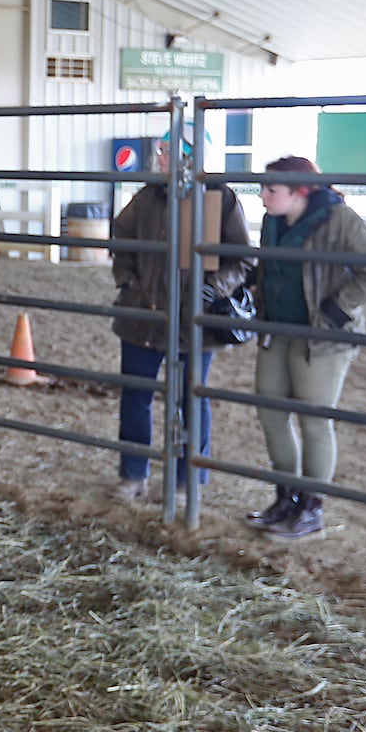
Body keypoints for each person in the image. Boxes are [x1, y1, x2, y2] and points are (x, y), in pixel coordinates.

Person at [244, 156, 366, 539]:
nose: (262, 196)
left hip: (321, 337)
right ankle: (286, 497)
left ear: (300, 191)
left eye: (271, 189)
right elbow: (269, 268)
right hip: (277, 328)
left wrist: (335, 309)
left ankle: (312, 508)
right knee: (271, 412)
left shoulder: (339, 220)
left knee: (313, 419)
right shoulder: (273, 221)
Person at [111, 134, 255, 502]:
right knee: (136, 395)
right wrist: (127, 280)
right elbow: (121, 236)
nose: (159, 158)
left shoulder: (218, 198)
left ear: (191, 156)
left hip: (194, 320)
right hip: (144, 315)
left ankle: (186, 480)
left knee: (191, 399)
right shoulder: (147, 196)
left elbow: (242, 258)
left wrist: (213, 289)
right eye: (160, 151)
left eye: (168, 152)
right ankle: (133, 474)